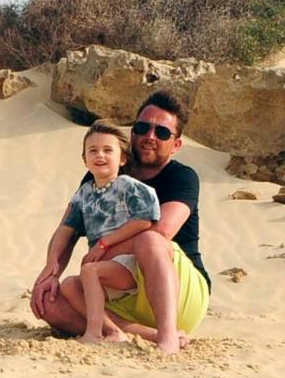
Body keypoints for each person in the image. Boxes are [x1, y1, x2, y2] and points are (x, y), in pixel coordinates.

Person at [31, 89, 212, 352]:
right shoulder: (100, 176)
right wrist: (50, 273)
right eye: (142, 128)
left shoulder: (182, 178)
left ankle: (168, 335)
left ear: (176, 145)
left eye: (162, 133)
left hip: (179, 292)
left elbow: (161, 232)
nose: (150, 137)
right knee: (50, 301)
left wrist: (102, 248)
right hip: (118, 284)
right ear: (132, 132)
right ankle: (142, 333)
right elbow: (68, 229)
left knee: (150, 239)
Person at [54, 123, 163, 346]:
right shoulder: (84, 193)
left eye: (108, 150)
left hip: (129, 263)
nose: (100, 155)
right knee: (69, 286)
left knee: (90, 271)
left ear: (122, 159)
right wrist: (50, 267)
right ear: (84, 159)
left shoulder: (129, 186)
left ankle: (94, 334)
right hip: (105, 268)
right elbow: (66, 228)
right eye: (92, 150)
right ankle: (115, 331)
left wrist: (104, 243)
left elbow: (145, 219)